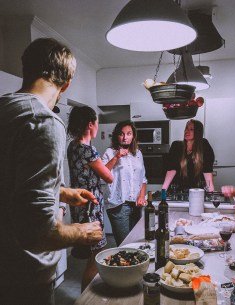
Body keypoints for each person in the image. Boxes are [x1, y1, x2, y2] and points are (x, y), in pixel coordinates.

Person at [0, 38, 103, 305]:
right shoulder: (43, 120)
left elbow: (9, 182)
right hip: (23, 277)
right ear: (65, 84)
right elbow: (38, 232)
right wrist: (84, 232)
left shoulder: (5, 109)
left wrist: (62, 192)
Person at [67, 105, 113, 291]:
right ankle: (85, 299)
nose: (98, 127)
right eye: (97, 123)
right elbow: (108, 177)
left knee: (93, 254)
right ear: (90, 124)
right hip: (91, 209)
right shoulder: (89, 150)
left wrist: (114, 158)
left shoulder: (73, 147)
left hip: (79, 206)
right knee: (97, 255)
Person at [102, 120, 147, 246]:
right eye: (122, 134)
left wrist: (142, 196)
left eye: (129, 134)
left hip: (136, 205)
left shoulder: (138, 153)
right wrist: (116, 157)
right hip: (118, 205)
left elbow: (143, 178)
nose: (125, 137)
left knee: (136, 243)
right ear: (117, 136)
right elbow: (103, 174)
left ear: (133, 136)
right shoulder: (109, 152)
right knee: (124, 245)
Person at [162, 119, 215, 192]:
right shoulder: (176, 146)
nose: (187, 131)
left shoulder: (204, 145)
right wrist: (163, 191)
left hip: (197, 192)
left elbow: (207, 171)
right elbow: (171, 170)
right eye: (186, 128)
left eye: (191, 129)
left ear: (198, 132)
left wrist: (211, 193)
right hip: (177, 191)